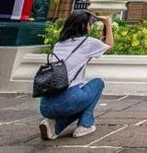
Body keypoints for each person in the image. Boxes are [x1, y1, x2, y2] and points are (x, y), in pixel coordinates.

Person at [38, 10, 114, 141]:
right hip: (68, 99)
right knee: (97, 84)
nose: (90, 27)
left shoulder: (59, 44)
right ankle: (85, 125)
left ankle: (54, 126)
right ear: (84, 26)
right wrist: (107, 23)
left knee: (78, 99)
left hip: (45, 106)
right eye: (90, 24)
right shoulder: (87, 42)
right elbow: (110, 46)